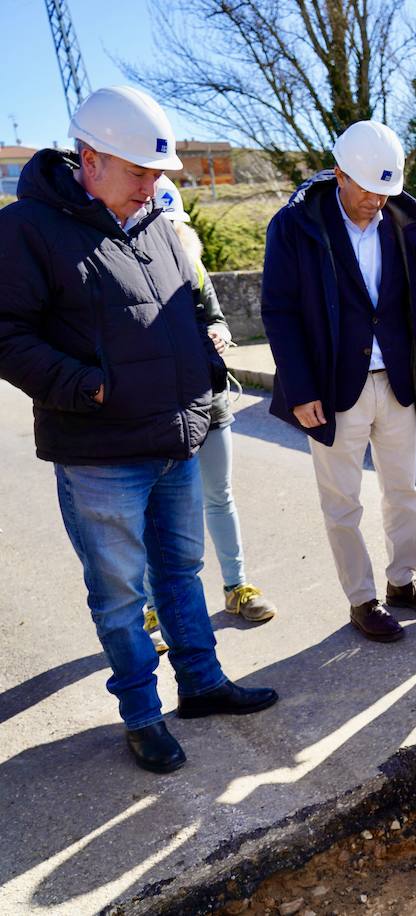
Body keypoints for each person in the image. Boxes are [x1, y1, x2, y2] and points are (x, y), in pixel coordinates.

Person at [0, 86, 279, 774]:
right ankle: (141, 715)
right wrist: (88, 385)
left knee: (181, 573)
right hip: (100, 453)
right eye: (139, 172)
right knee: (122, 596)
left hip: (174, 440)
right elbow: (7, 334)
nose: (152, 186)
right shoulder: (25, 230)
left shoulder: (156, 220)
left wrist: (206, 367)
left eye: (158, 174)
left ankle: (203, 685)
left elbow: (184, 307)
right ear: (89, 160)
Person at [260, 120, 416, 643]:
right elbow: (278, 311)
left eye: (386, 190)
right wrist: (300, 390)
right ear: (340, 174)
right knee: (343, 501)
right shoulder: (295, 225)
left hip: (394, 381)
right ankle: (361, 599)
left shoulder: (400, 221)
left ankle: (403, 583)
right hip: (332, 387)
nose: (376, 199)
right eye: (367, 188)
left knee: (403, 491)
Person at [143, 177, 277, 654]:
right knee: (151, 511)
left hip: (209, 404)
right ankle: (152, 607)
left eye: (174, 226)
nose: (169, 236)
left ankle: (237, 588)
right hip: (152, 413)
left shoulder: (196, 269)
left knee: (219, 497)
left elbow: (216, 317)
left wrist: (219, 334)